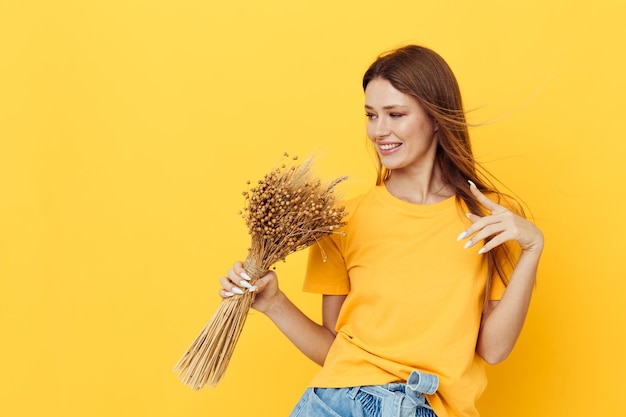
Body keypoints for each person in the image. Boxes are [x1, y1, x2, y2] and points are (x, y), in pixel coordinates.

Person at [219, 44, 544, 417]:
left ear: (436, 117)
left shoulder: (489, 216)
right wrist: (274, 303)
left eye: (396, 114)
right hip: (335, 405)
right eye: (371, 115)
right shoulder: (342, 220)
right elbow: (335, 350)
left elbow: (494, 349)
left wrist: (533, 247)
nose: (379, 130)